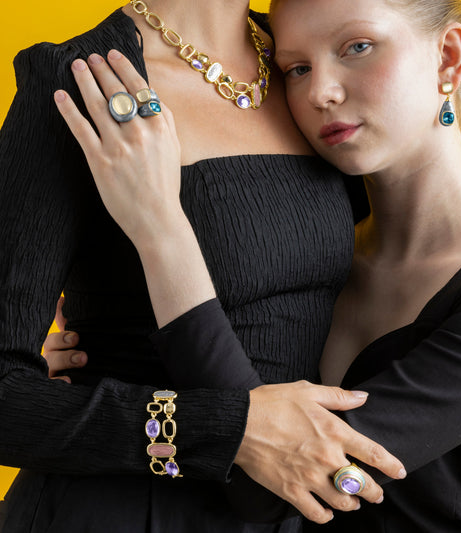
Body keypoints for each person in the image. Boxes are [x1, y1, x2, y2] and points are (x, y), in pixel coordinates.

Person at [45, 0, 461, 530]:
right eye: (296, 68)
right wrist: (112, 356)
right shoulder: (318, 258)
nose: (320, 92)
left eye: (358, 47)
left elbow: (273, 489)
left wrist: (161, 228)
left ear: (449, 57)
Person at [0, 0, 405, 531]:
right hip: (124, 513)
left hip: (295, 510)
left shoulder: (311, 61)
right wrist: (225, 429)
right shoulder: (81, 83)